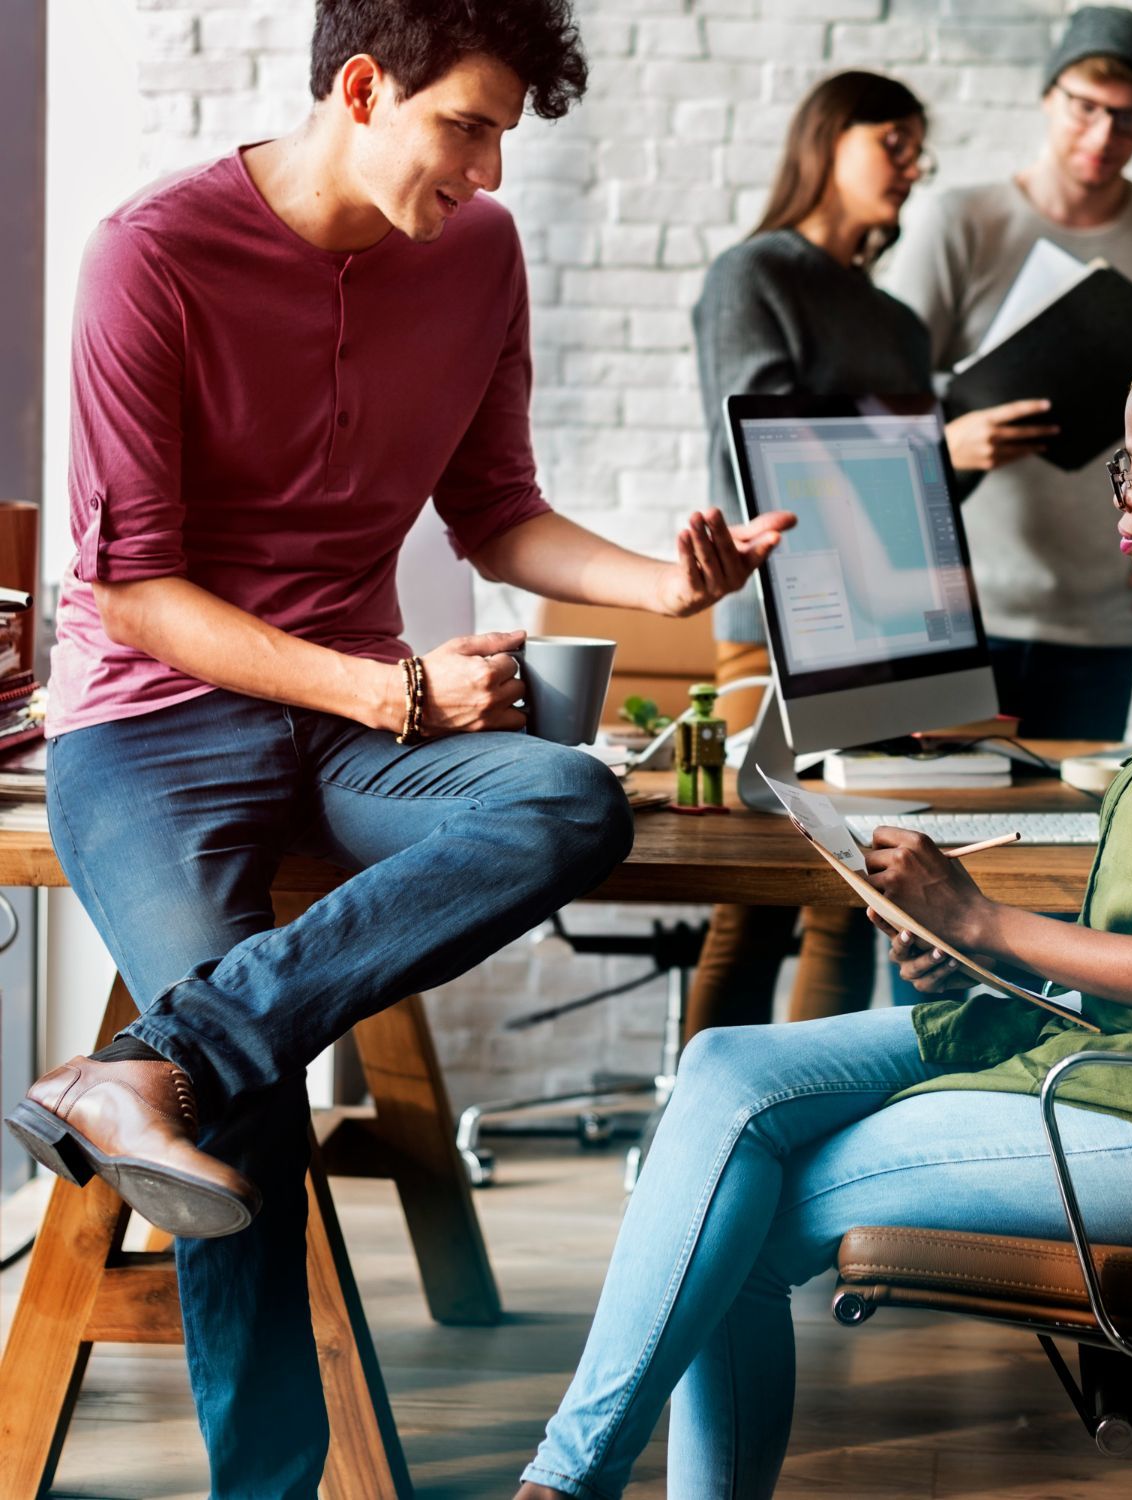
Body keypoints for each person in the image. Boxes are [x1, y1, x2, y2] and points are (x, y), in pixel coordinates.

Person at [5, 3, 789, 1494]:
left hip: (362, 715)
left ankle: (153, 1061)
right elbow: (137, 591)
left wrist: (664, 586)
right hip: (155, 725)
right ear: (362, 89)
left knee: (568, 803)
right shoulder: (147, 256)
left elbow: (496, 511)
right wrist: (393, 695)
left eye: (503, 136)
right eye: (467, 127)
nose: (489, 172)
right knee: (241, 1113)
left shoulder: (477, 254)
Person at [514, 332, 1132, 1500]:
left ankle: (561, 1486)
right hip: (1103, 1049)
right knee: (723, 1068)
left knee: (731, 1221)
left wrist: (989, 923)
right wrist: (971, 952)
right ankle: (569, 1481)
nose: (1118, 496)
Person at [685, 71, 1053, 1038]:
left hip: (885, 627)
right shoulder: (753, 276)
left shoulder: (899, 323)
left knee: (854, 898)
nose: (912, 165)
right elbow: (763, 455)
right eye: (893, 141)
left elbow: (914, 507)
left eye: (919, 150)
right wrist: (934, 448)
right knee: (756, 894)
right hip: (776, 621)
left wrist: (955, 462)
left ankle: (818, 1110)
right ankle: (707, 1109)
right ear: (827, 138)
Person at [882, 4, 1132, 741]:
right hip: (958, 602)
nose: (1104, 136)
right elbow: (882, 402)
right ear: (1049, 95)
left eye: (1130, 120)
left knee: (1075, 812)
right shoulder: (961, 222)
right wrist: (952, 441)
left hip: (1103, 608)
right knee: (942, 805)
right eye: (1086, 107)